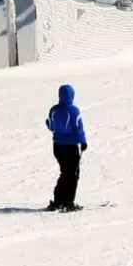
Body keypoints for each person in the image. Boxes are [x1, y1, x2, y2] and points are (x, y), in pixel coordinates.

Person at [45, 84, 87, 212]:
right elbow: (79, 128)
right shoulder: (74, 111)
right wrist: (83, 142)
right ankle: (68, 202)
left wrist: (50, 125)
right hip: (70, 147)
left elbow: (52, 127)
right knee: (72, 174)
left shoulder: (54, 110)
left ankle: (58, 201)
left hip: (57, 147)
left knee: (65, 172)